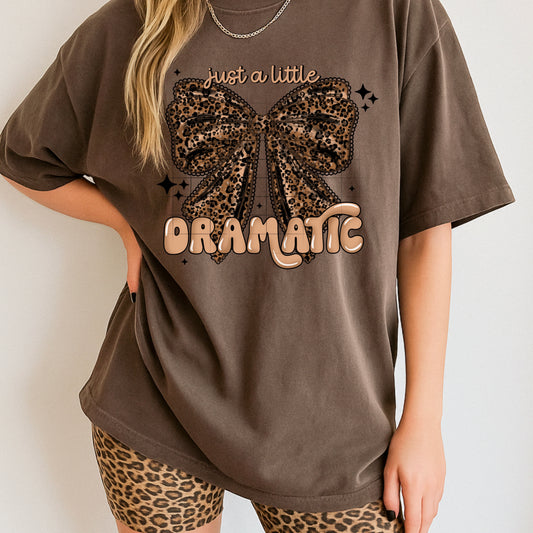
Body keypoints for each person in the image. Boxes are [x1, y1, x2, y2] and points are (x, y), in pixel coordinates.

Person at [0, 0, 516, 532]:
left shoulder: (393, 12)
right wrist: (124, 224)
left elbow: (425, 229)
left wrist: (423, 421)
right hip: (158, 405)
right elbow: (23, 158)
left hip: (335, 433)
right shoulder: (132, 24)